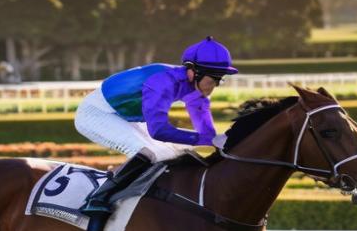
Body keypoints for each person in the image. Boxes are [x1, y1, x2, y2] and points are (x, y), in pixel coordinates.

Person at [76, 36, 238, 215]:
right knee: (148, 153)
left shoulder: (194, 86)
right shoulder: (162, 82)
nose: (214, 85)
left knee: (172, 153)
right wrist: (205, 139)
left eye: (219, 80)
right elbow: (158, 130)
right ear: (193, 72)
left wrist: (216, 140)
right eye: (213, 79)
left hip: (125, 117)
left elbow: (206, 132)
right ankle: (98, 198)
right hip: (96, 113)